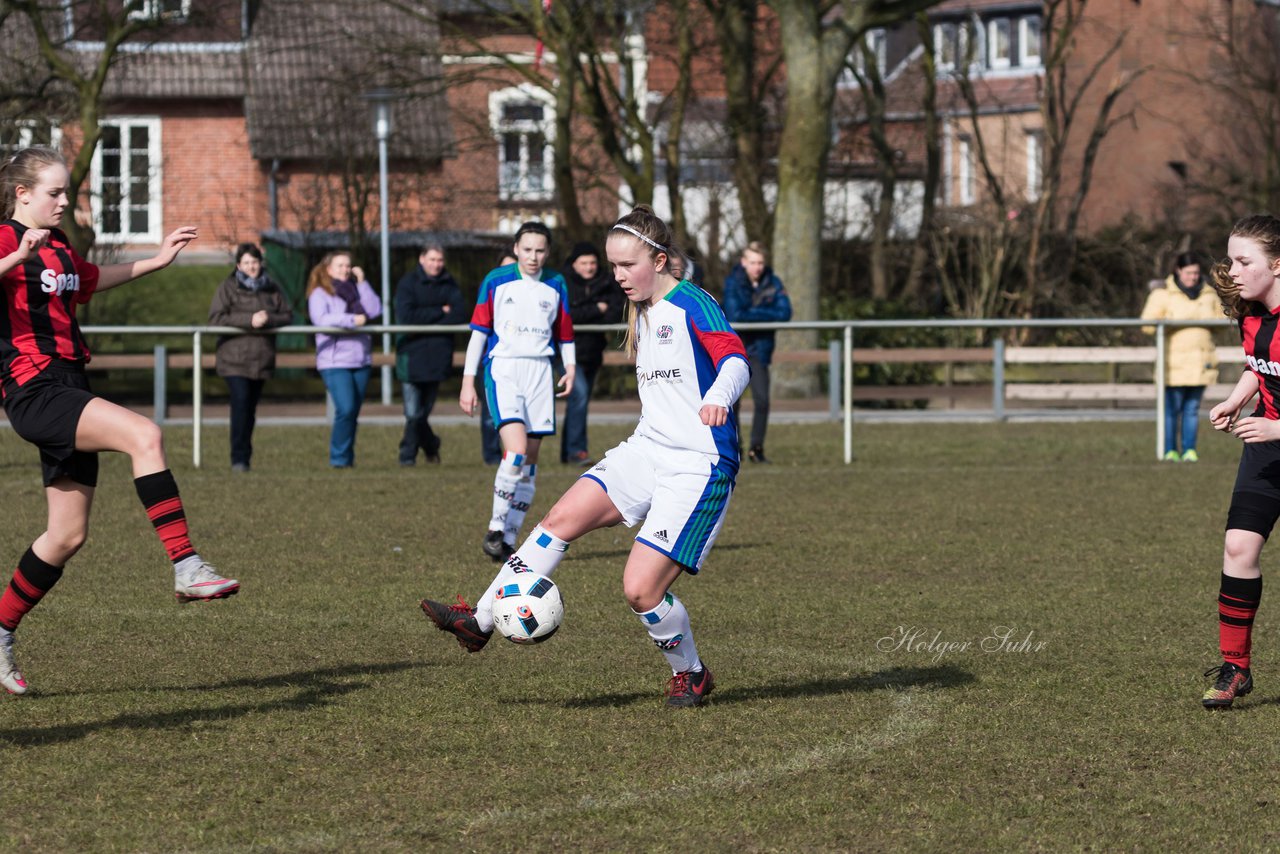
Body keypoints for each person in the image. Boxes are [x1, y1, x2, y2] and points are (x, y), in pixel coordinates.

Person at [420, 205, 750, 708]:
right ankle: (480, 622)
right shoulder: (643, 308)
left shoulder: (692, 302)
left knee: (640, 590)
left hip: (698, 464)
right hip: (647, 449)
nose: (618, 277)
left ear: (659, 260)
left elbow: (735, 358)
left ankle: (692, 674)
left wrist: (719, 396)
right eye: (612, 266)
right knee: (559, 518)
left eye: (627, 266)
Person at [0, 147, 239, 696]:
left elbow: (87, 279)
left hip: (68, 384)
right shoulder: (7, 239)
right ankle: (186, 566)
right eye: (55, 193)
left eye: (66, 192)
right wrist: (16, 256)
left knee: (66, 535)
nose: (65, 201)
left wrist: (156, 260)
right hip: (33, 387)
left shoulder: (58, 244)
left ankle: (2, 630)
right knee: (144, 434)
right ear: (22, 194)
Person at [458, 223, 575, 560]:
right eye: (527, 250)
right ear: (516, 248)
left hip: (540, 371)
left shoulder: (556, 283)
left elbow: (565, 332)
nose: (533, 257)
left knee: (532, 459)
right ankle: (495, 526)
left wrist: (569, 367)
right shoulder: (497, 280)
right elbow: (478, 333)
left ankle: (508, 539)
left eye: (540, 250)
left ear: (548, 252)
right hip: (505, 369)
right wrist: (468, 381)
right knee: (517, 450)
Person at [1201, 214, 1280, 709]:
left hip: (1274, 433)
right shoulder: (1249, 313)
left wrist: (1278, 427)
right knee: (1238, 549)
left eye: (1243, 260)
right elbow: (1258, 364)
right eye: (1231, 258)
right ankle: (1235, 668)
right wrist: (1235, 399)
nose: (1232, 269)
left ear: (1278, 265)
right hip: (1267, 451)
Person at [208, 242, 293, 472]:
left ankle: (246, 456)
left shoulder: (271, 288)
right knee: (241, 405)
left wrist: (269, 319)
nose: (251, 267)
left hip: (261, 358)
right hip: (234, 360)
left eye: (254, 262)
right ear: (238, 265)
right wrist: (249, 320)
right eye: (246, 263)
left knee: (250, 409)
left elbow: (287, 315)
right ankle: (239, 458)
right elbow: (216, 319)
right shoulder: (228, 287)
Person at [1142, 251, 1221, 462]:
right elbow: (1147, 324)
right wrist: (1168, 322)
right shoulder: (1162, 294)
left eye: (1196, 273)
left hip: (1200, 362)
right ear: (1178, 271)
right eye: (1188, 273)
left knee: (1192, 409)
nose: (1193, 277)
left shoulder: (1209, 295)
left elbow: (1222, 322)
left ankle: (1189, 450)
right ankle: (1170, 450)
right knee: (1172, 410)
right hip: (1173, 363)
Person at [307, 251, 381, 469]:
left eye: (348, 266)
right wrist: (352, 320)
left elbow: (375, 310)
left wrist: (363, 282)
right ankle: (339, 458)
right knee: (346, 409)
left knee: (353, 412)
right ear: (328, 269)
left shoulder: (357, 289)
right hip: (334, 360)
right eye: (340, 265)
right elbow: (321, 319)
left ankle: (346, 458)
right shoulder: (320, 294)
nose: (345, 270)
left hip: (360, 359)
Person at [722, 241, 791, 464]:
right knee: (734, 403)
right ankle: (737, 448)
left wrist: (753, 312)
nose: (757, 267)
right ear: (744, 262)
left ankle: (756, 448)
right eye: (752, 262)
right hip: (735, 349)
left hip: (760, 350)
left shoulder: (773, 281)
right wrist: (765, 313)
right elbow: (735, 314)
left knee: (762, 401)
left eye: (760, 262)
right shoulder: (733, 282)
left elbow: (784, 313)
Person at [395, 244, 464, 466]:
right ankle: (411, 454)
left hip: (438, 357)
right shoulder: (408, 284)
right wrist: (439, 311)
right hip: (412, 357)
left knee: (421, 415)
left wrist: (427, 318)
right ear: (422, 259)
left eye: (439, 260)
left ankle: (426, 449)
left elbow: (459, 313)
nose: (436, 264)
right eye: (432, 259)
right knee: (413, 414)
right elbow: (406, 317)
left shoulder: (449, 283)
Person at [559, 241, 624, 466]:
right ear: (574, 263)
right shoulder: (563, 283)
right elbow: (568, 315)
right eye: (584, 263)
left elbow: (615, 313)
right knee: (579, 396)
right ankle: (577, 451)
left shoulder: (607, 282)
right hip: (567, 354)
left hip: (592, 352)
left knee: (580, 400)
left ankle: (568, 452)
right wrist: (596, 308)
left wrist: (586, 311)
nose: (589, 267)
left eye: (593, 262)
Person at [476, 252, 518, 466]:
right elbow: (478, 332)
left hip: (521, 367)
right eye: (505, 268)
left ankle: (514, 454)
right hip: (494, 364)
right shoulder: (492, 290)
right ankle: (492, 455)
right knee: (490, 413)